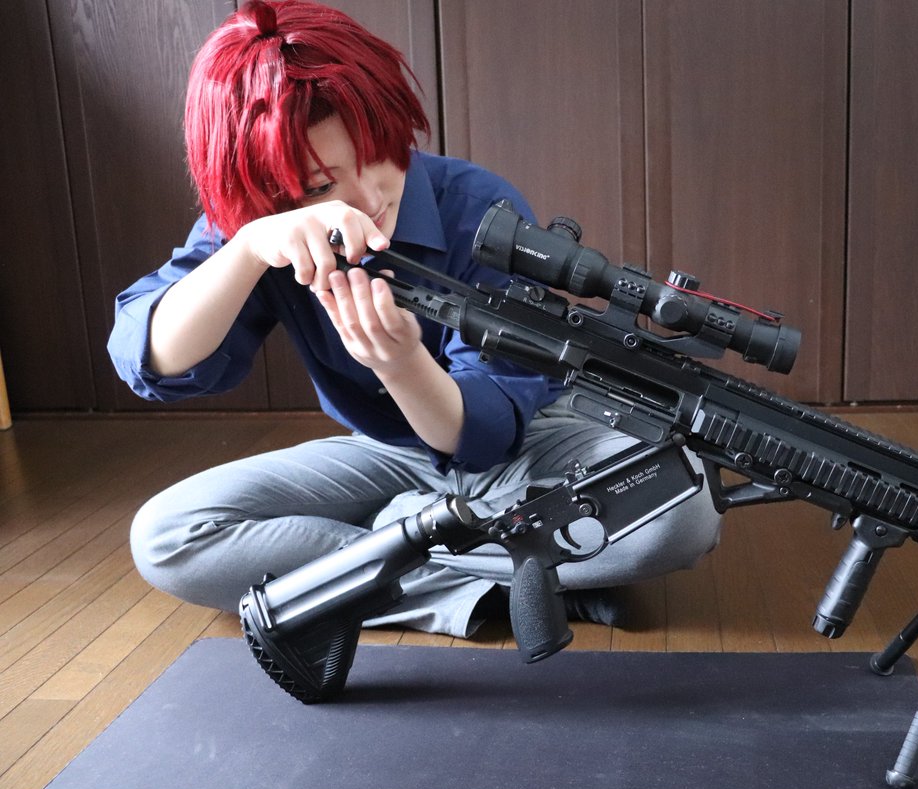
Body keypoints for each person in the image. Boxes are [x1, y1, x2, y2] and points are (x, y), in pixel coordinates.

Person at [108, 0, 721, 638]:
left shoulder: (478, 206)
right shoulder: (259, 224)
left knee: (683, 512)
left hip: (537, 442)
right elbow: (151, 357)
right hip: (385, 454)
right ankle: (504, 575)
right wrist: (246, 249)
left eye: (381, 152)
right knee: (168, 537)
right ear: (267, 191)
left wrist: (401, 365)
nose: (371, 197)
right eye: (321, 187)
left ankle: (391, 543)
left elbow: (491, 432)